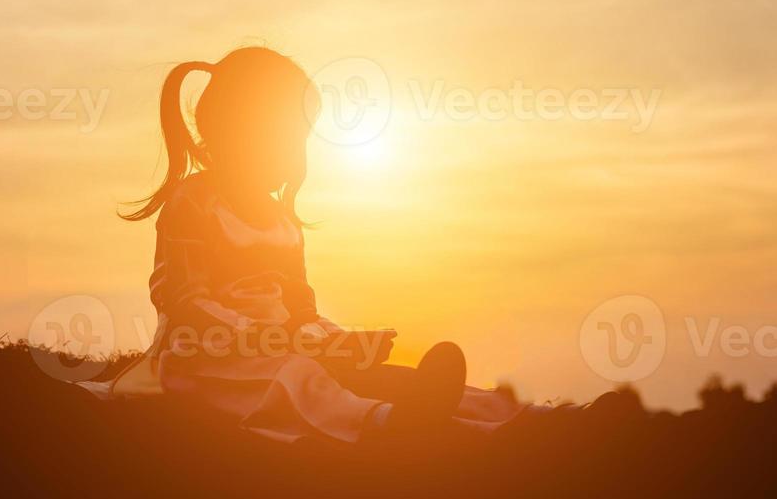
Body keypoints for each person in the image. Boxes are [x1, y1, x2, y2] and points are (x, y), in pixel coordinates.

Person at [115, 47, 523, 444]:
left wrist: (337, 341)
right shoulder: (194, 202)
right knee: (298, 377)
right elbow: (185, 303)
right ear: (234, 132)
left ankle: (501, 416)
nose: (294, 153)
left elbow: (300, 308)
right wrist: (271, 338)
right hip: (204, 363)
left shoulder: (283, 220)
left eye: (300, 138)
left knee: (376, 376)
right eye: (283, 138)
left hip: (279, 351)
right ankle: (383, 423)